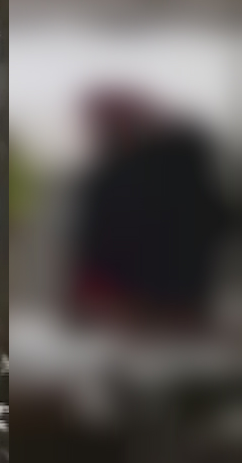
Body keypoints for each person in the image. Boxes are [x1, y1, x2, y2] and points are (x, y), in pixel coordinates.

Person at [67, 87, 228, 333]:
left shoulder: (127, 175)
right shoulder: (117, 173)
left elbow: (105, 238)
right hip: (167, 299)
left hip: (138, 300)